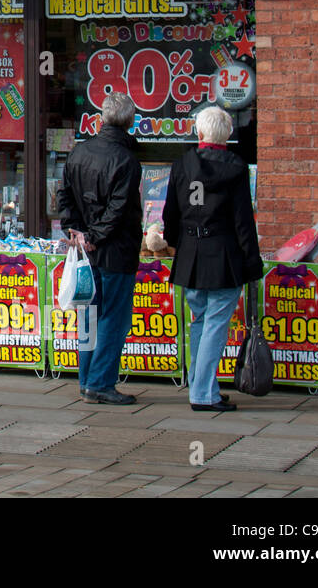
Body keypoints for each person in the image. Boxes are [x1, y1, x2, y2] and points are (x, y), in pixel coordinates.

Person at [163, 106, 261, 413]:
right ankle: (204, 393)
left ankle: (202, 385)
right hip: (223, 255)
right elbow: (243, 220)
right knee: (215, 323)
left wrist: (177, 243)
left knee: (201, 321)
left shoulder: (182, 164)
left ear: (200, 132)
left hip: (191, 253)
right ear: (228, 134)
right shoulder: (235, 167)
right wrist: (252, 261)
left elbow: (170, 213)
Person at [59, 91, 143, 405]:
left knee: (90, 315)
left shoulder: (79, 152)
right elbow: (119, 209)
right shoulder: (126, 159)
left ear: (102, 118)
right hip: (115, 249)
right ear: (130, 121)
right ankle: (100, 383)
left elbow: (64, 196)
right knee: (113, 318)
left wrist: (78, 231)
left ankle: (87, 381)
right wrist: (93, 234)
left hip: (87, 248)